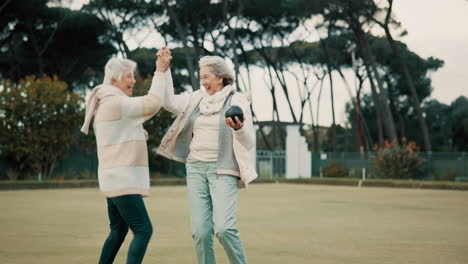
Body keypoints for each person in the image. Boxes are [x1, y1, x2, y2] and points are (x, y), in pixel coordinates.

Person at [155, 53, 258, 264]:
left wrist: (238, 129)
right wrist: (164, 71)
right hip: (195, 168)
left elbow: (249, 142)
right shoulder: (196, 98)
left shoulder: (237, 100)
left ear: (220, 77)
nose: (202, 81)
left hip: (224, 171)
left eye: (207, 76)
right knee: (200, 233)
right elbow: (168, 101)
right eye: (201, 77)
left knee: (224, 228)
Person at [80, 48, 172, 264]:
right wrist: (160, 70)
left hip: (113, 178)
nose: (133, 80)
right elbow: (152, 103)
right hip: (123, 179)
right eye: (129, 76)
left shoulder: (106, 102)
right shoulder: (115, 102)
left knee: (118, 231)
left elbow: (119, 133)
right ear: (114, 80)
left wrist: (138, 133)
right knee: (143, 230)